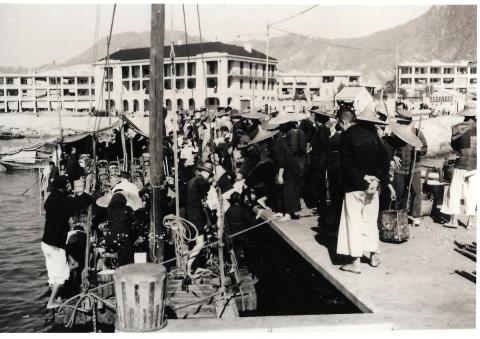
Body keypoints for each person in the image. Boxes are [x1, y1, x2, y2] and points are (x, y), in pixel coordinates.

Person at [336, 107, 389, 274]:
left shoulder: (346, 136)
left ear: (344, 121)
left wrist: (363, 178)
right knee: (370, 220)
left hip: (354, 187)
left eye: (340, 124)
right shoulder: (374, 136)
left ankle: (355, 262)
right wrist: (376, 179)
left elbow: (346, 165)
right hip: (374, 186)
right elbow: (384, 161)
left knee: (353, 222)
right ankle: (373, 256)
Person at [41, 176, 91, 308]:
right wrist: (86, 191)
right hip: (55, 245)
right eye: (67, 185)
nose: (69, 187)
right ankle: (51, 302)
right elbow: (77, 203)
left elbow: (69, 203)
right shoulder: (61, 201)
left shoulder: (51, 199)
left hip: (46, 243)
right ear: (63, 187)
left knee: (53, 275)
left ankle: (57, 298)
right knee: (63, 275)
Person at [441, 101, 477, 229]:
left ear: (465, 114)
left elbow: (454, 146)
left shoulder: (458, 128)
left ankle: (453, 220)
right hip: (476, 165)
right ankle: (471, 222)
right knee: (472, 193)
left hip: (461, 163)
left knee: (455, 191)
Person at [185, 162, 214, 276]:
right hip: (196, 216)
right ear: (206, 173)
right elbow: (207, 187)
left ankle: (194, 267)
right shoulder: (200, 180)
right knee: (200, 243)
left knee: (195, 242)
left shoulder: (191, 181)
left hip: (190, 215)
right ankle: (189, 266)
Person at [105, 192, 136, 267]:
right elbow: (134, 221)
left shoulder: (108, 210)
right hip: (126, 237)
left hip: (111, 238)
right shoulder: (128, 209)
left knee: (116, 258)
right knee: (127, 258)